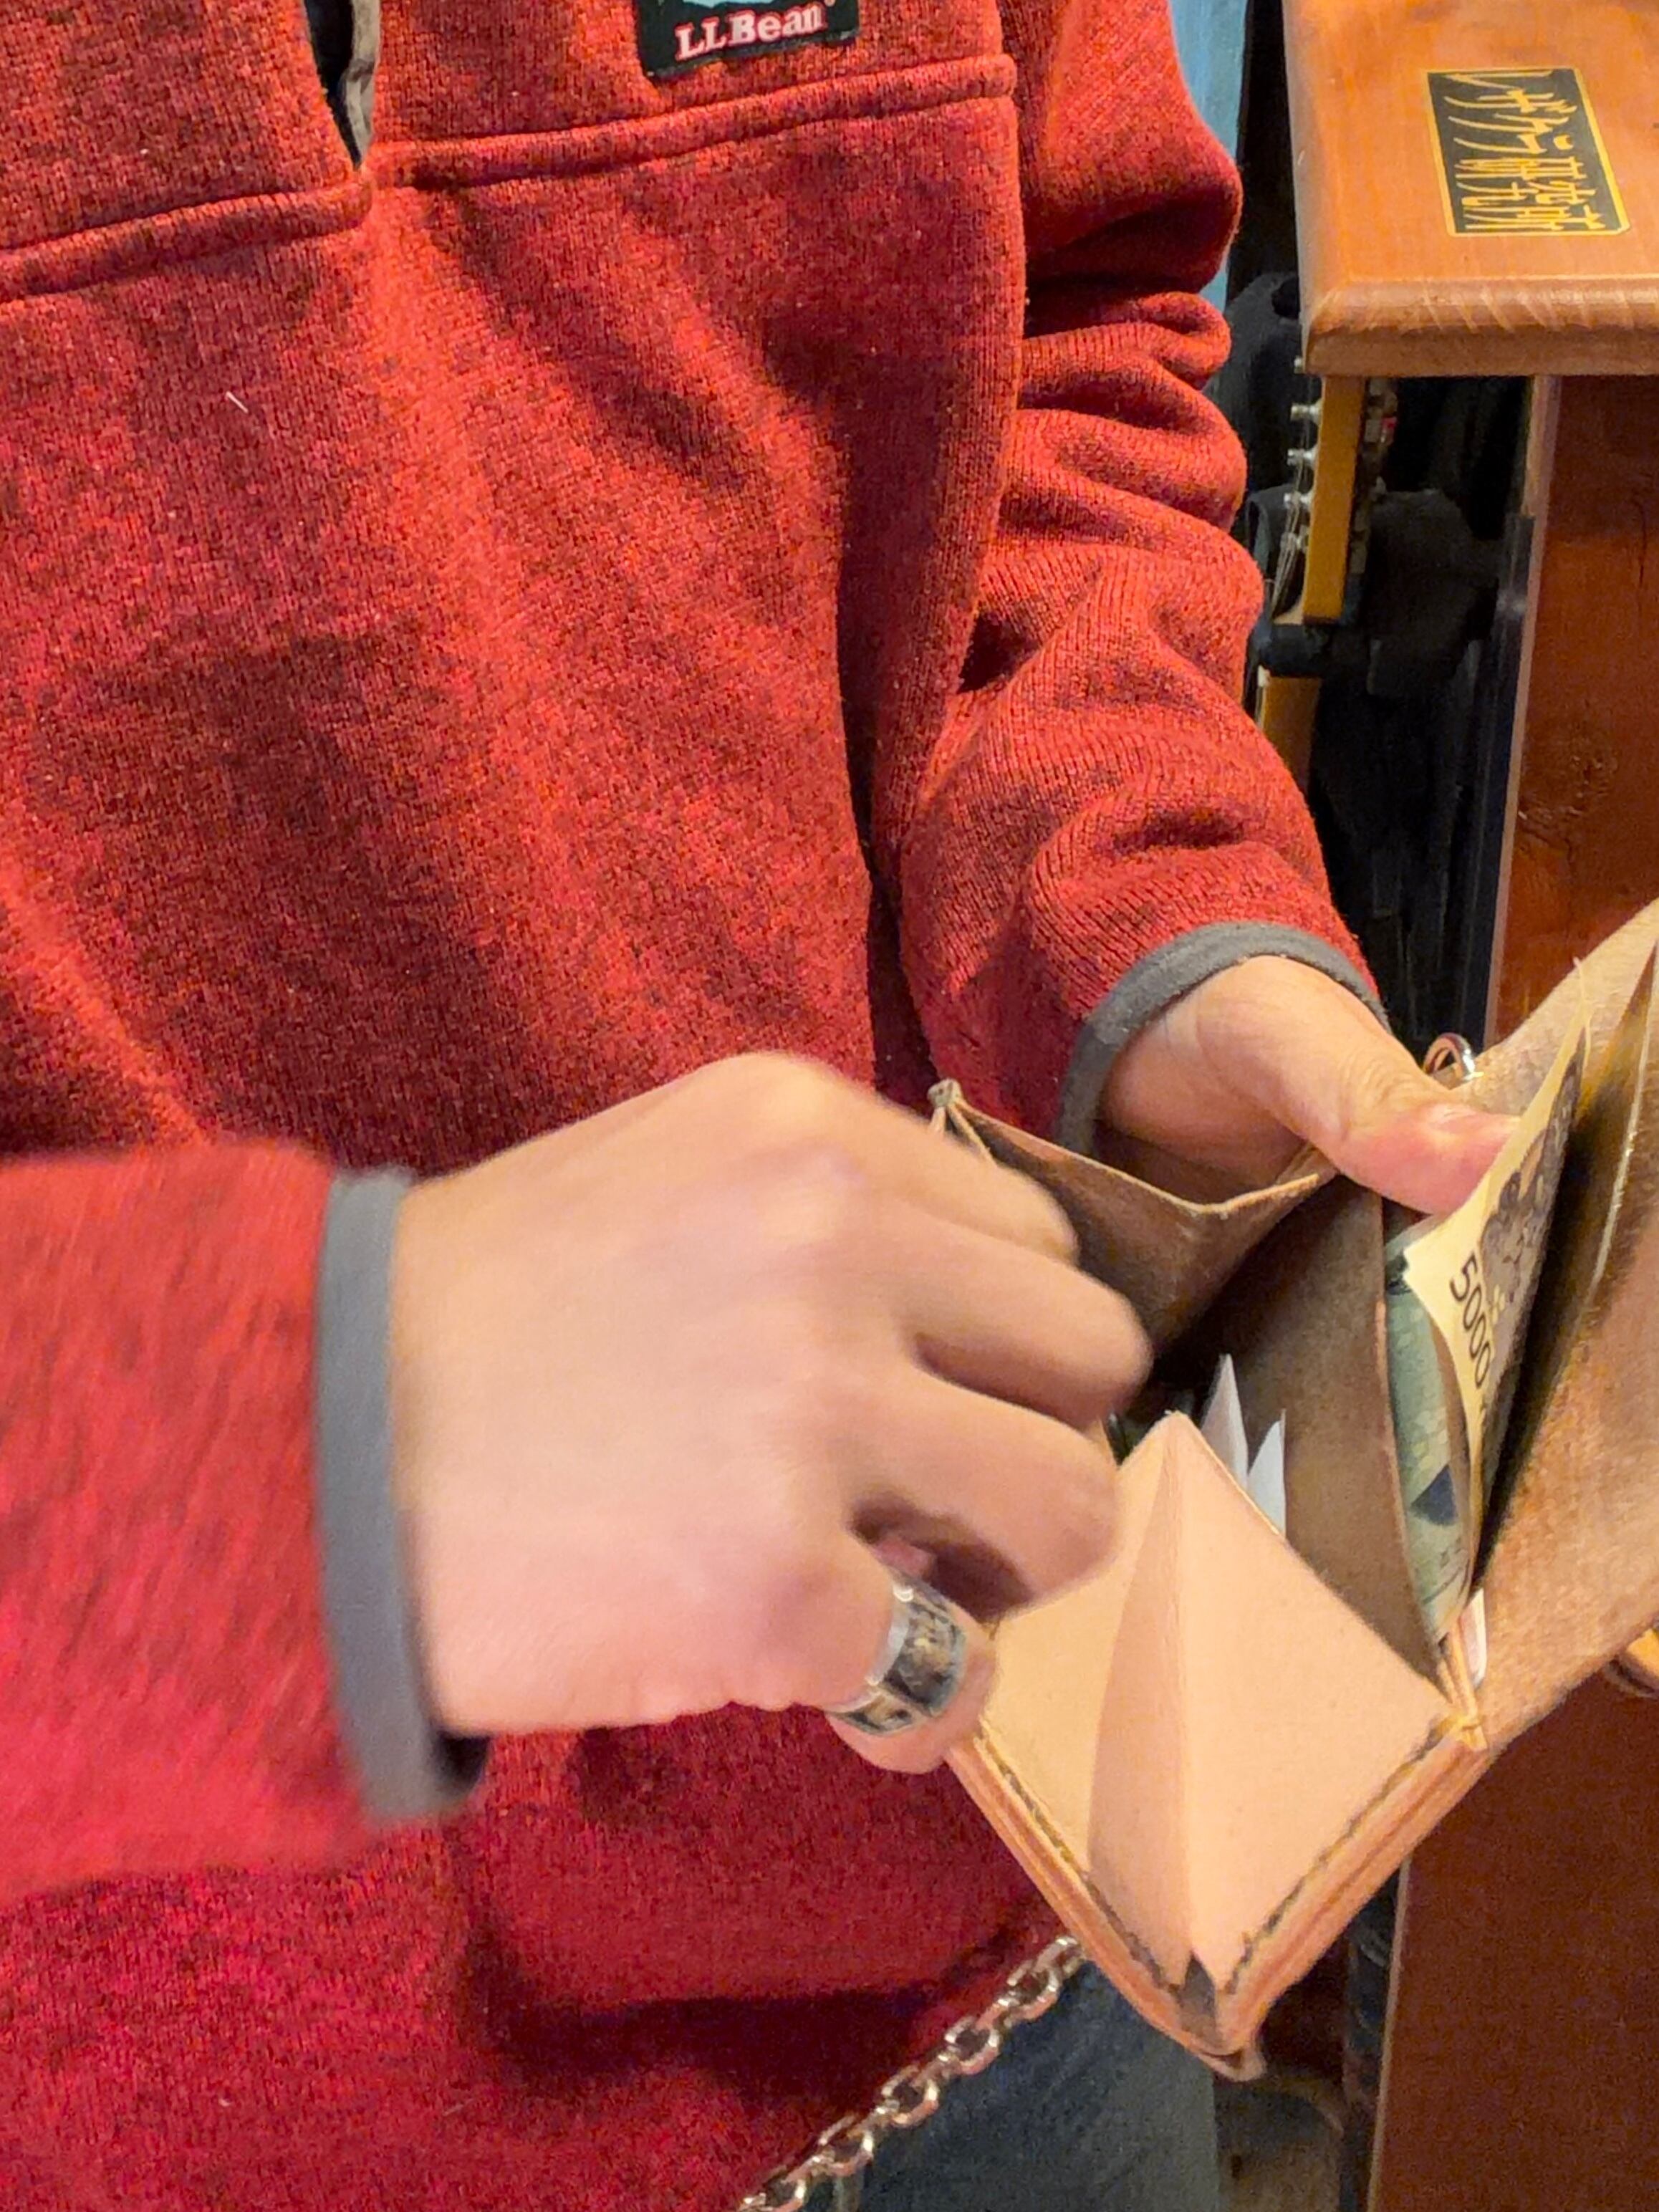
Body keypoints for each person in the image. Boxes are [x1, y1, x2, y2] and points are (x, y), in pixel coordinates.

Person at [0, 1, 1510, 2206]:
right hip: (156, 2091)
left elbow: (1060, 321)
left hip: (1003, 1896)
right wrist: (305, 1451)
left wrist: (1147, 896)